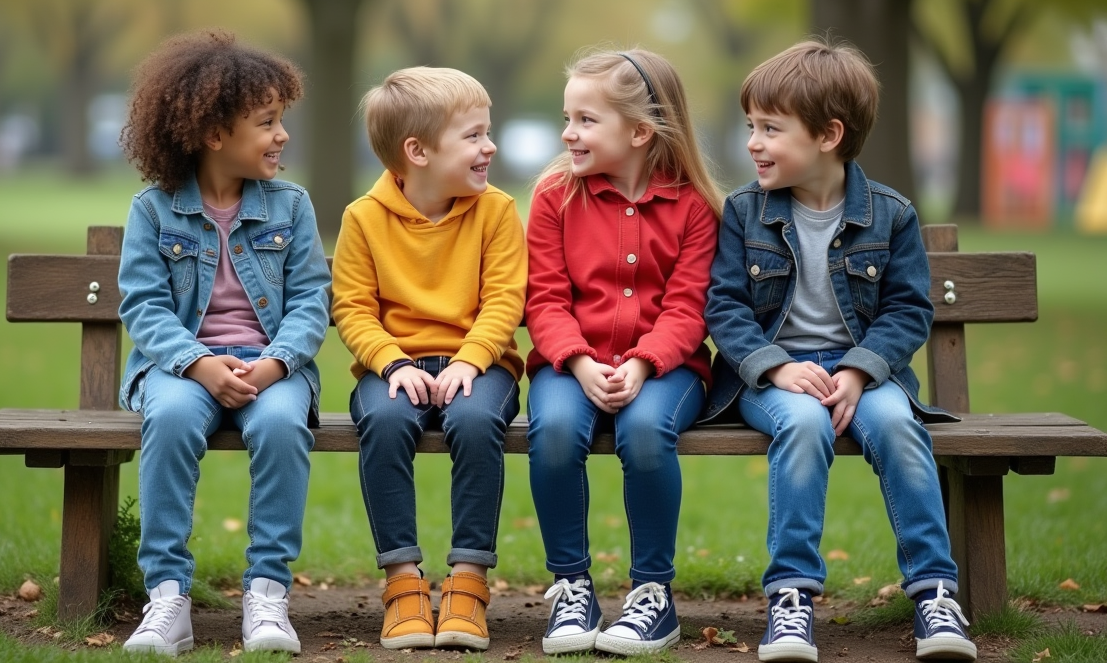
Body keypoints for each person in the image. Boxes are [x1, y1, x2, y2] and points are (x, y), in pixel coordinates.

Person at [705, 38, 978, 663]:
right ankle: (791, 597)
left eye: (771, 129)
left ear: (828, 135)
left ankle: (935, 592)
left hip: (865, 374)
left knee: (900, 427)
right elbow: (724, 307)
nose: (753, 142)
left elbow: (909, 310)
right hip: (773, 377)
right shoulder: (745, 212)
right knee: (802, 425)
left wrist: (857, 372)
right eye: (752, 126)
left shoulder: (891, 215)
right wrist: (775, 368)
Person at [116, 30, 331, 656]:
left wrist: (273, 366)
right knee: (175, 419)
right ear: (215, 135)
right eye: (267, 123)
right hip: (181, 368)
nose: (282, 135)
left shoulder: (290, 207)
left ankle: (267, 592)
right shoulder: (154, 212)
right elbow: (145, 307)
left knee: (283, 426)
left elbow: (311, 302)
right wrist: (200, 364)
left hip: (273, 368)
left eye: (282, 120)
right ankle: (167, 597)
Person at [526, 48, 724, 656]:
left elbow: (688, 310)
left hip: (669, 370)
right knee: (555, 427)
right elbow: (545, 301)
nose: (568, 133)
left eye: (586, 120)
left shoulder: (692, 208)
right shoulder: (555, 197)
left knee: (644, 430)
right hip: (570, 363)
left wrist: (642, 363)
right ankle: (571, 584)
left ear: (639, 131)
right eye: (567, 117)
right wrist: (581, 363)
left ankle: (652, 595)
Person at [332, 67, 526, 651]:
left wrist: (470, 360)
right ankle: (404, 583)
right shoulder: (363, 218)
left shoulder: (496, 211)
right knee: (385, 422)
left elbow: (504, 299)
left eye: (486, 132)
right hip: (395, 366)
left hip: (483, 363)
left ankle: (468, 581)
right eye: (473, 136)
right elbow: (353, 308)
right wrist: (392, 363)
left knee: (473, 419)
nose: (489, 146)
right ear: (417, 151)